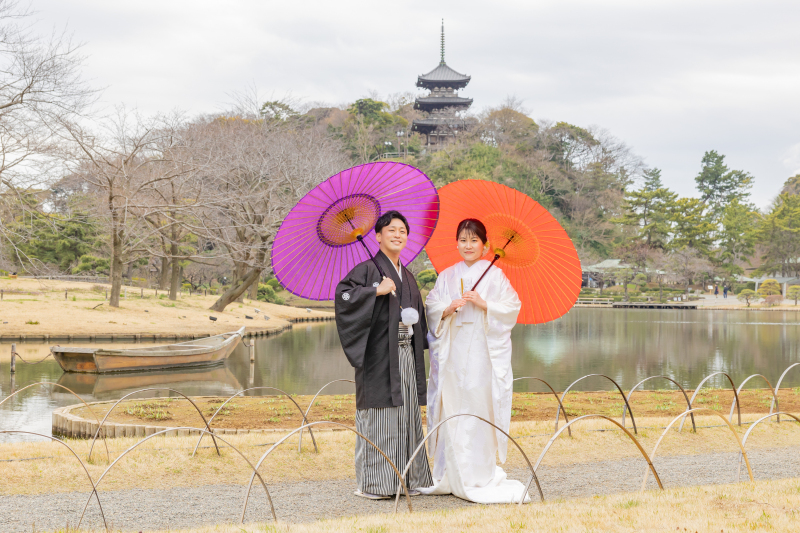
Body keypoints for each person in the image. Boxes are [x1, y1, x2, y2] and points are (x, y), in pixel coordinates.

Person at [420, 218, 528, 504]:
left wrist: (484, 304)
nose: (468, 246)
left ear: (485, 245)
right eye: (463, 240)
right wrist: (447, 308)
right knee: (452, 406)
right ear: (456, 243)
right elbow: (431, 306)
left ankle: (478, 474)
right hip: (453, 351)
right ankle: (449, 473)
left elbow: (511, 308)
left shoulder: (496, 277)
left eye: (474, 241)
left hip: (482, 351)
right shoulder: (447, 276)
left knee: (478, 405)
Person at [335, 210, 433, 499]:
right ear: (377, 236)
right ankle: (375, 485)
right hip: (378, 358)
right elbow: (343, 297)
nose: (397, 234)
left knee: (406, 416)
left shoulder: (409, 276)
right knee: (380, 416)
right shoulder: (367, 270)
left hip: (405, 354)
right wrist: (375, 290)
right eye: (391, 230)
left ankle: (406, 480)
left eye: (402, 230)